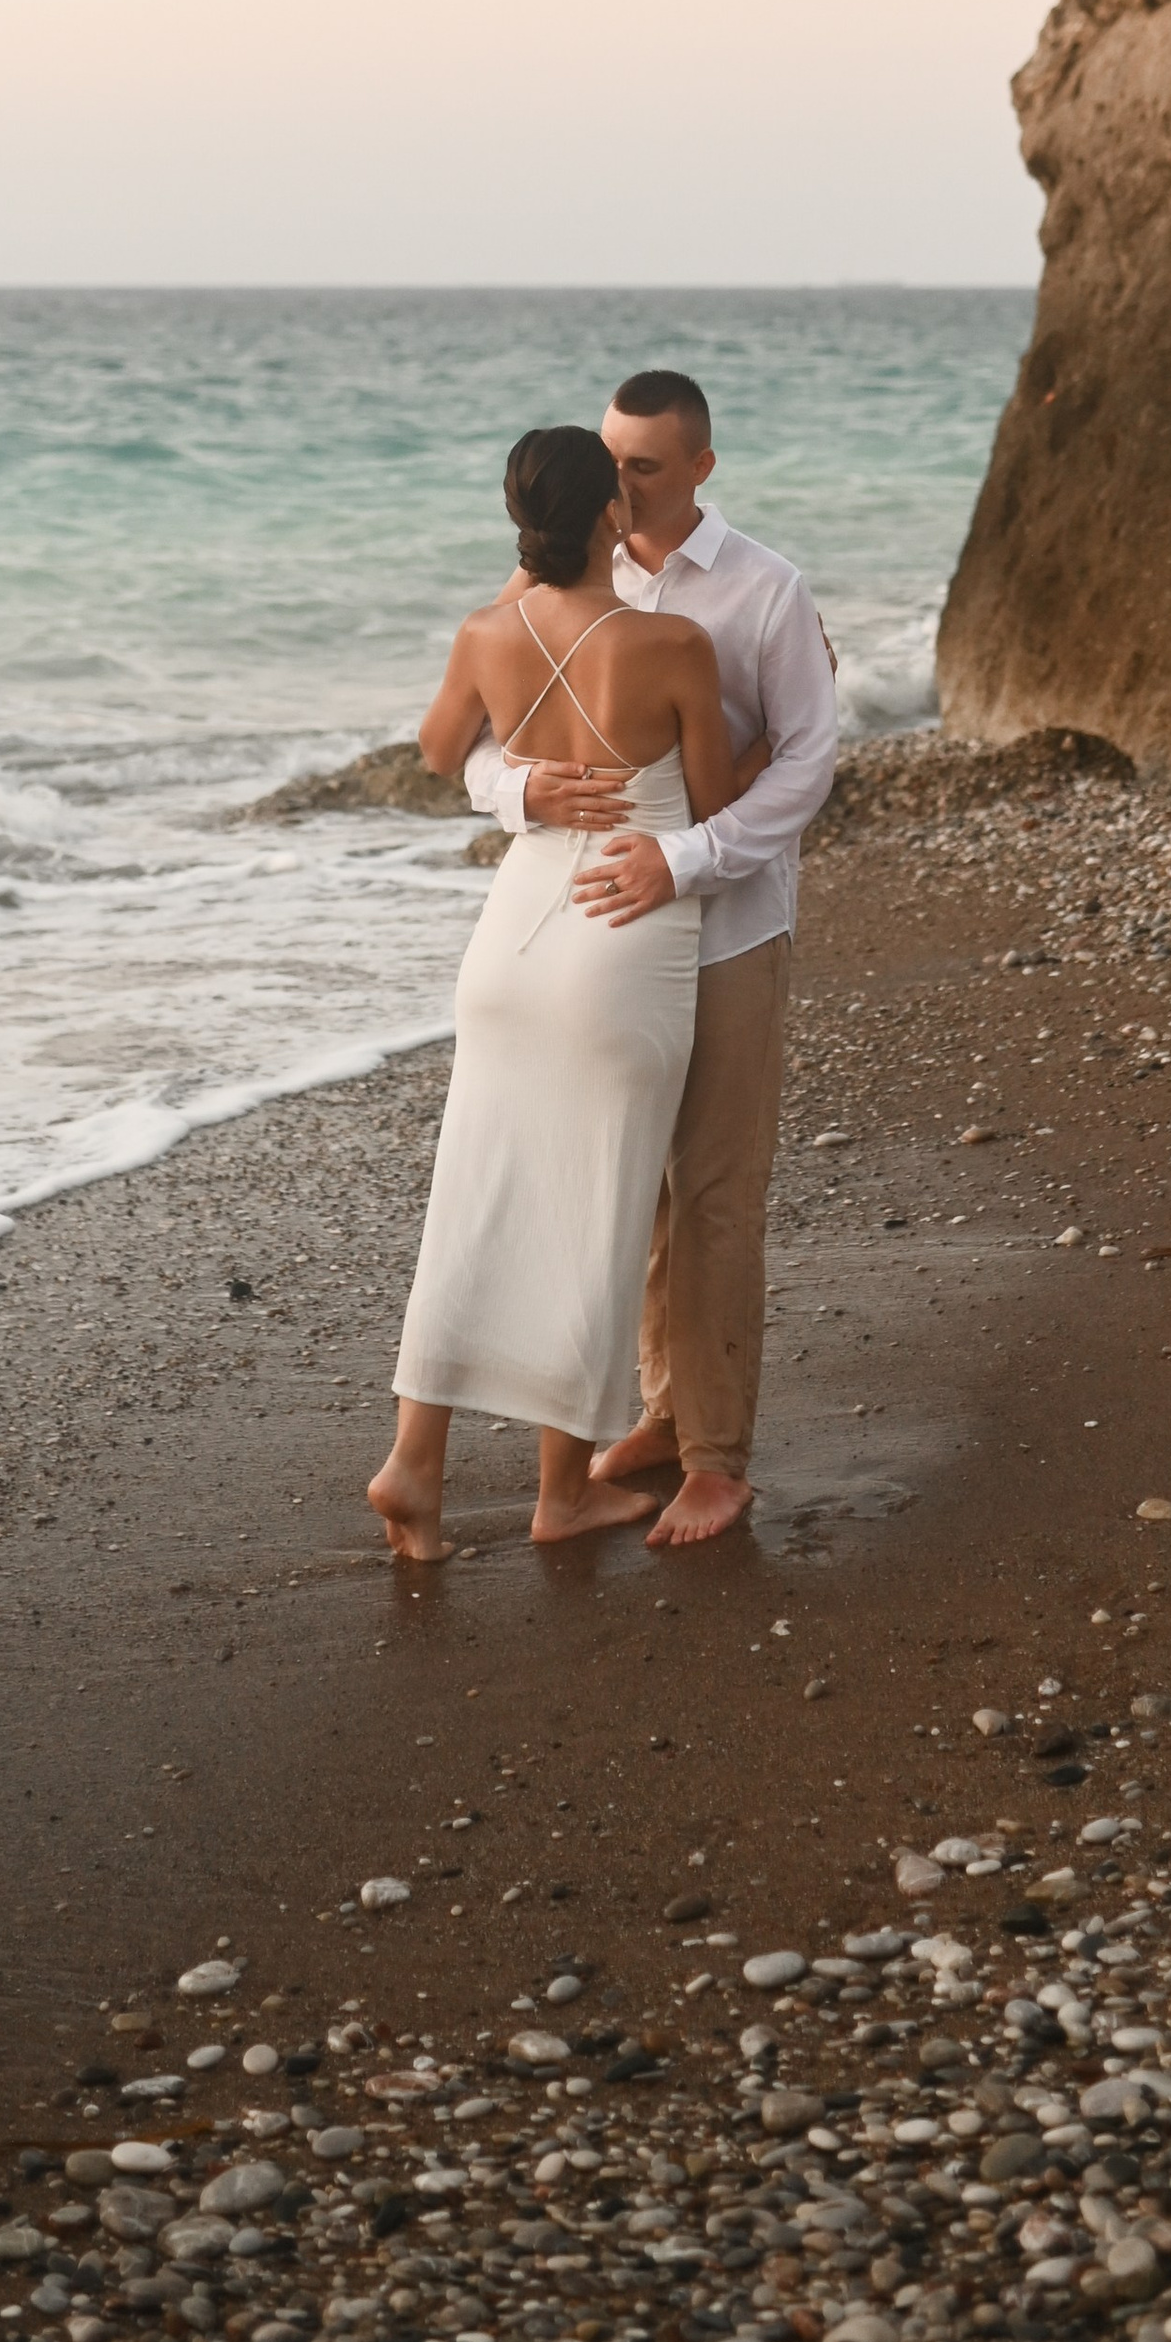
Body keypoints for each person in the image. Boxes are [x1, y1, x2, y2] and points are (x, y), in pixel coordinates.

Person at [462, 369, 839, 1545]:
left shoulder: (764, 591)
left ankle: (717, 1457)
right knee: (634, 1184)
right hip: (598, 934)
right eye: (610, 461)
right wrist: (525, 789)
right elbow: (472, 741)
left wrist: (684, 860)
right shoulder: (555, 572)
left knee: (717, 1193)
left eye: (645, 468)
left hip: (726, 925)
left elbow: (808, 761)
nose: (618, 486)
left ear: (700, 471)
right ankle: (661, 1416)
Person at [371, 424, 755, 1561]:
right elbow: (716, 799)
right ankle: (560, 1492)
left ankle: (413, 1465)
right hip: (620, 943)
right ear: (610, 516)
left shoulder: (486, 630)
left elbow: (442, 754)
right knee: (591, 1216)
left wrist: (526, 780)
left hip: (507, 949)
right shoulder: (673, 640)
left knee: (474, 1207)